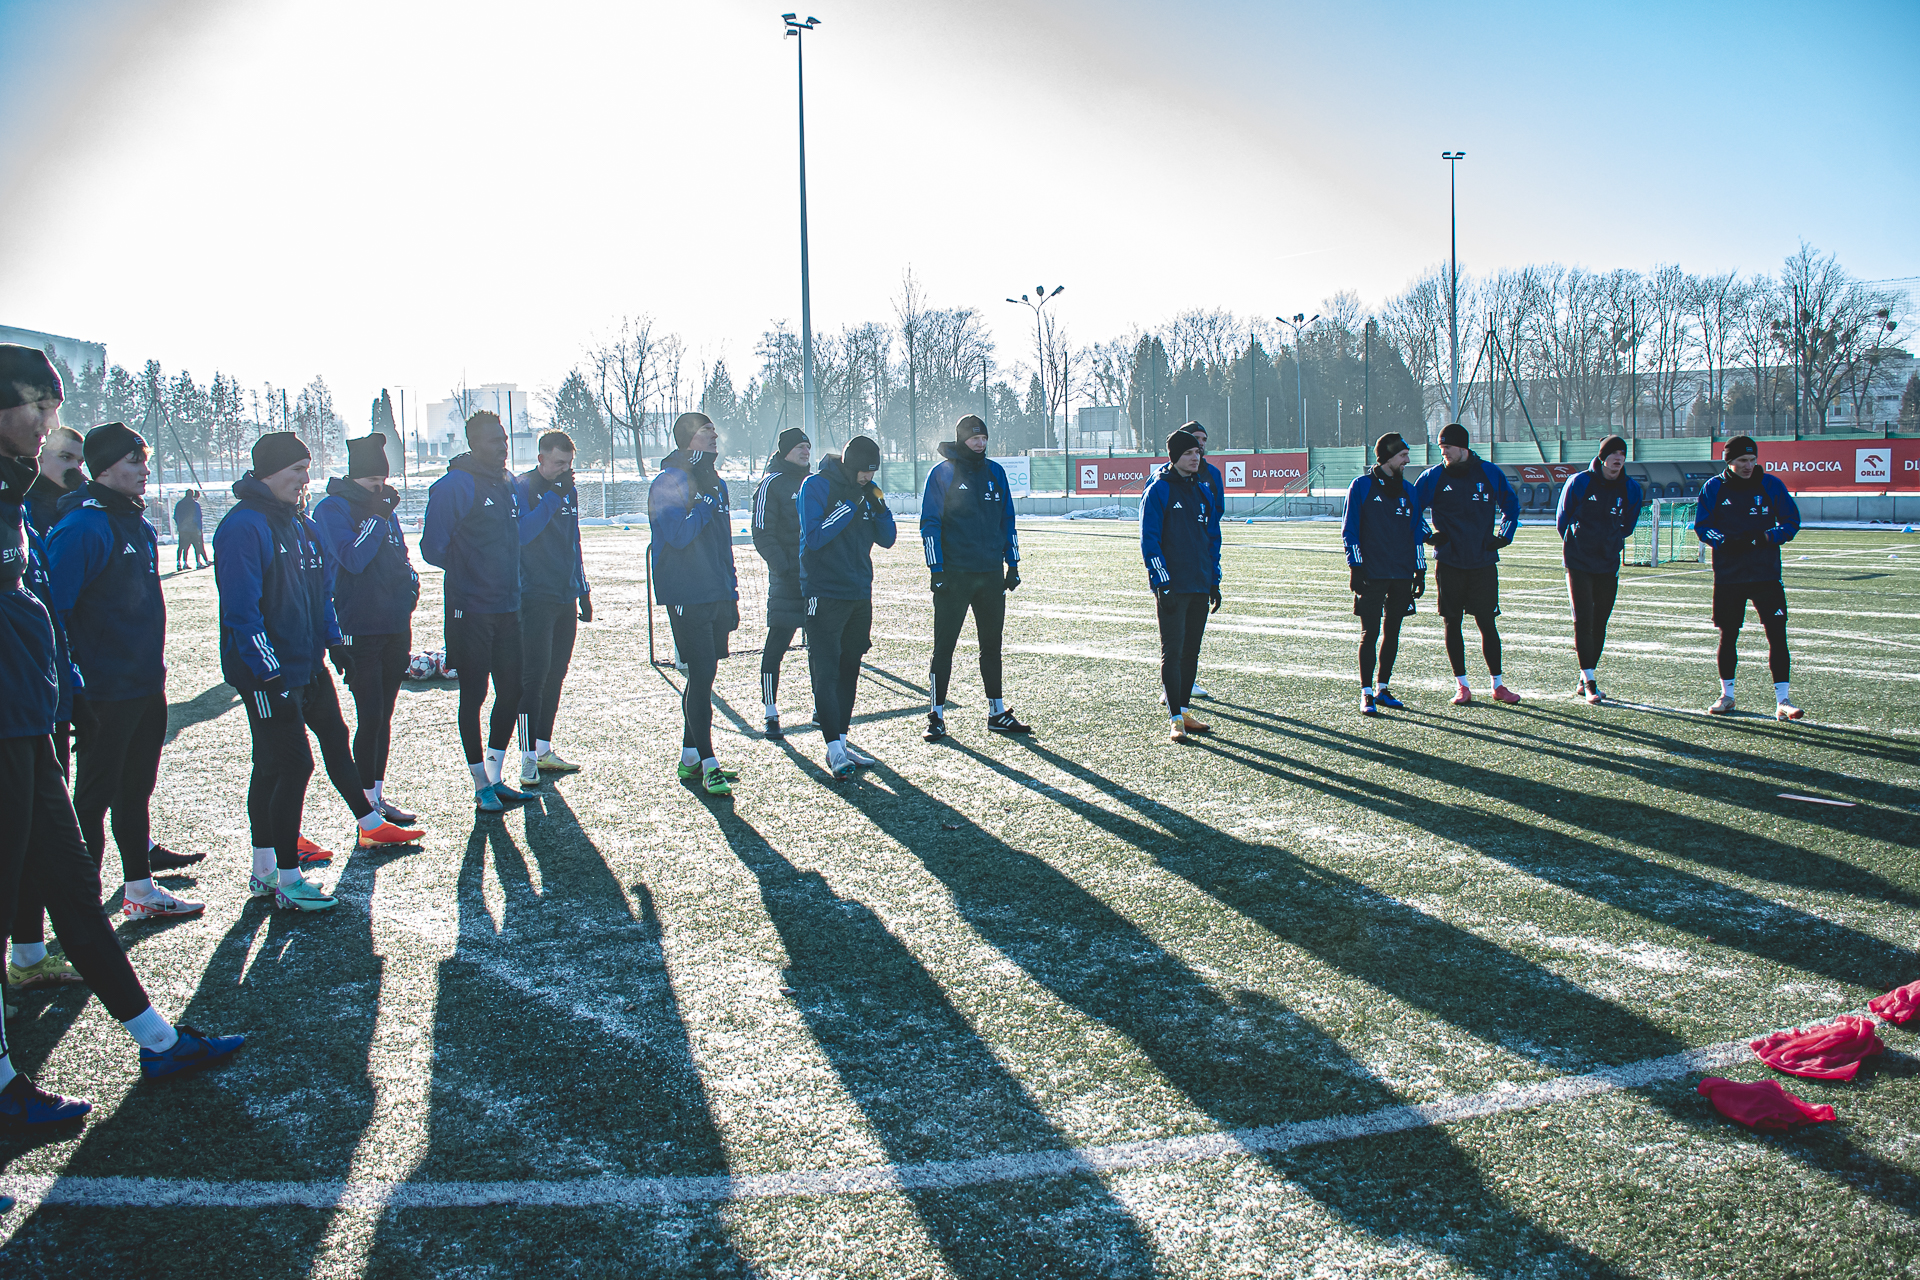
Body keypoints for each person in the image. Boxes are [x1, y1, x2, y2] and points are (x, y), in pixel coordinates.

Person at [0, 342, 244, 1129]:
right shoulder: (68, 519)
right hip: (14, 723)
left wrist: (59, 688)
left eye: (53, 407)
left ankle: (157, 1040)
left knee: (76, 887)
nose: (49, 423)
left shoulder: (20, 501)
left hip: (30, 721)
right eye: (37, 406)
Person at [217, 432, 426, 914]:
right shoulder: (243, 526)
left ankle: (360, 827)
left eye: (307, 469)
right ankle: (283, 876)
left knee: (331, 736)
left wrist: (333, 644)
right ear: (269, 472)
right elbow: (242, 611)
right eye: (296, 470)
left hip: (306, 663)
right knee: (288, 764)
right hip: (269, 672)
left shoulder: (301, 524)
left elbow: (322, 595)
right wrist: (269, 670)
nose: (304, 479)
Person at [46, 423, 202, 923]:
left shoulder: (136, 522)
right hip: (104, 692)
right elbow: (53, 615)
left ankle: (139, 888)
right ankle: (82, 911)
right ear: (105, 468)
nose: (145, 469)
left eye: (144, 459)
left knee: (135, 792)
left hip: (145, 684)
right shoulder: (82, 527)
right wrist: (74, 687)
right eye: (134, 461)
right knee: (92, 800)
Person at [422, 411, 533, 812]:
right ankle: (479, 783)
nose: (502, 446)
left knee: (513, 690)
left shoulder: (507, 483)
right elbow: (432, 548)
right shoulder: (454, 485)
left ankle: (495, 775)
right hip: (469, 609)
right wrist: (473, 571)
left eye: (504, 438)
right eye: (493, 440)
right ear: (473, 444)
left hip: (509, 606)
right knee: (474, 694)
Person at [312, 432, 422, 824]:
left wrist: (410, 588)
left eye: (383, 480)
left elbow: (400, 555)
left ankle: (376, 796)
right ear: (355, 476)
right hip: (359, 627)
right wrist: (377, 516)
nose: (381, 488)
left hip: (395, 625)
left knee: (384, 716)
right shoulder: (332, 509)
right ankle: (365, 807)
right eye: (373, 481)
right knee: (370, 715)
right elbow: (352, 559)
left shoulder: (384, 508)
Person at [920, 413, 1028, 741]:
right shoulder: (942, 473)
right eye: (974, 438)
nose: (980, 444)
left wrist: (1013, 563)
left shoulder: (996, 473)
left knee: (992, 646)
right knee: (944, 648)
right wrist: (936, 570)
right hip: (954, 577)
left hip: (990, 576)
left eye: (983, 438)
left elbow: (1007, 520)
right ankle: (936, 715)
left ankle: (997, 712)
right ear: (961, 439)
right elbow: (930, 524)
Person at [648, 412, 740, 796]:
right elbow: (679, 535)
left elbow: (723, 541)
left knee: (706, 676)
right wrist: (701, 503)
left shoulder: (716, 482)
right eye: (706, 431)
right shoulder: (668, 481)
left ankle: (690, 758)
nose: (715, 435)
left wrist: (731, 590)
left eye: (715, 430)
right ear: (688, 438)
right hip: (686, 593)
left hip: (715, 591)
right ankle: (709, 763)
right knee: (701, 676)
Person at [798, 435, 897, 779]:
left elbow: (887, 539)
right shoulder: (816, 486)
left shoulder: (867, 492)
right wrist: (851, 503)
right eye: (863, 471)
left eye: (873, 472)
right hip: (824, 592)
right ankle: (832, 748)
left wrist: (880, 507)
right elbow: (815, 537)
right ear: (849, 465)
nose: (868, 477)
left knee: (850, 668)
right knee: (825, 670)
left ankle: (841, 741)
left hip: (859, 593)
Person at [1412, 422, 1521, 706]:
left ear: (1463, 447)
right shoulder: (1433, 476)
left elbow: (1511, 506)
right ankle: (1462, 685)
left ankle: (1498, 685)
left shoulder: (1489, 472)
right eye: (1441, 448)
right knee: (1452, 622)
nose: (1443, 453)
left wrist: (1504, 536)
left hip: (1483, 561)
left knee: (1487, 623)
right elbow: (1411, 509)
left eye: (1447, 447)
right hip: (1449, 562)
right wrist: (1428, 536)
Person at [1694, 436, 1802, 719]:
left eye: (1752, 460)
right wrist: (1724, 541)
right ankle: (1727, 696)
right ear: (1729, 461)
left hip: (1766, 574)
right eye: (1742, 460)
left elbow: (1791, 522)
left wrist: (1766, 537)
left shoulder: (1771, 485)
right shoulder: (1714, 487)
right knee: (1728, 635)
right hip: (1729, 576)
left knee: (1777, 635)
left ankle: (1783, 701)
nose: (1749, 465)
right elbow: (1703, 526)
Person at [514, 430, 590, 787]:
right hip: (533, 596)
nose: (564, 470)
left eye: (569, 464)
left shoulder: (568, 490)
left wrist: (583, 588)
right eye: (559, 463)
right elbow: (522, 534)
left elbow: (573, 541)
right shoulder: (522, 487)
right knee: (533, 677)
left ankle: (543, 749)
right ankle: (526, 756)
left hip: (565, 595)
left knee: (557, 674)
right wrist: (552, 497)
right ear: (541, 458)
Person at [1141, 428, 1221, 743]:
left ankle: (1185, 710)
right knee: (1172, 651)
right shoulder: (1158, 490)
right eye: (1188, 453)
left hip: (1199, 583)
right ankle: (1174, 718)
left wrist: (1214, 581)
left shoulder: (1203, 491)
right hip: (1172, 586)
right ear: (1174, 457)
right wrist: (1161, 582)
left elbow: (1212, 540)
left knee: (1191, 652)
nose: (1195, 457)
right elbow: (1149, 541)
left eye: (1197, 452)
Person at [1556, 436, 1644, 705]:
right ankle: (1590, 682)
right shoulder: (1580, 482)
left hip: (1608, 562)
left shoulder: (1631, 488)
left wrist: (1610, 542)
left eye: (1622, 453)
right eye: (1613, 453)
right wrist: (1578, 544)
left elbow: (1628, 525)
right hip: (1579, 561)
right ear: (1602, 457)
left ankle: (1585, 676)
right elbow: (1562, 519)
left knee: (1600, 621)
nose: (1618, 458)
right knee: (1583, 619)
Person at [1342, 432, 1425, 716]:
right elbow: (1350, 530)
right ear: (1387, 457)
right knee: (1370, 632)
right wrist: (1355, 567)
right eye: (1402, 455)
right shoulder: (1361, 486)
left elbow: (1416, 532)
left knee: (1393, 632)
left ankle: (1383, 688)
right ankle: (1366, 693)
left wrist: (1420, 570)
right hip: (1372, 573)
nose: (1407, 460)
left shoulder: (1409, 491)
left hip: (1401, 573)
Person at [750, 427, 811, 739]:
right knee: (777, 645)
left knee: (821, 646)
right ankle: (770, 711)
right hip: (787, 581)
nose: (805, 451)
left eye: (808, 447)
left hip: (815, 580)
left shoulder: (813, 482)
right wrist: (784, 567)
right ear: (786, 450)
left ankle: (822, 708)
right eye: (799, 446)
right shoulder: (771, 483)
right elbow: (761, 531)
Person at [1173, 422, 1224, 701]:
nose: (1200, 445)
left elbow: (1216, 516)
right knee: (1174, 634)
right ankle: (1171, 687)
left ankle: (1186, 683)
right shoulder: (1164, 479)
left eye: (1203, 440)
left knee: (1193, 636)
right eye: (1194, 440)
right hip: (1177, 568)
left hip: (1202, 562)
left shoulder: (1212, 475)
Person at [29, 424, 83, 536]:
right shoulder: (22, 504)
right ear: (40, 456)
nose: (75, 467)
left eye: (80, 462)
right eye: (65, 457)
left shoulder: (84, 502)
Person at [172, 489, 209, 570]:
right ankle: (198, 563)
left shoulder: (179, 504)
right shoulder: (195, 504)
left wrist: (179, 525)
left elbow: (175, 516)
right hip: (193, 529)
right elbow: (198, 517)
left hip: (182, 529)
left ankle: (180, 563)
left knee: (182, 546)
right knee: (197, 546)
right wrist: (199, 529)